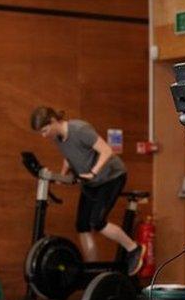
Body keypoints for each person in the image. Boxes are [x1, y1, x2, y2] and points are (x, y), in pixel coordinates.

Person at [30, 107, 145, 275]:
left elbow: (106, 150)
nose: (43, 135)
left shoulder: (79, 129)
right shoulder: (58, 138)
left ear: (53, 121)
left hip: (111, 177)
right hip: (92, 183)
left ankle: (134, 248)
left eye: (45, 130)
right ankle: (93, 270)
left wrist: (93, 173)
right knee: (82, 225)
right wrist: (62, 176)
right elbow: (69, 157)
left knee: (97, 222)